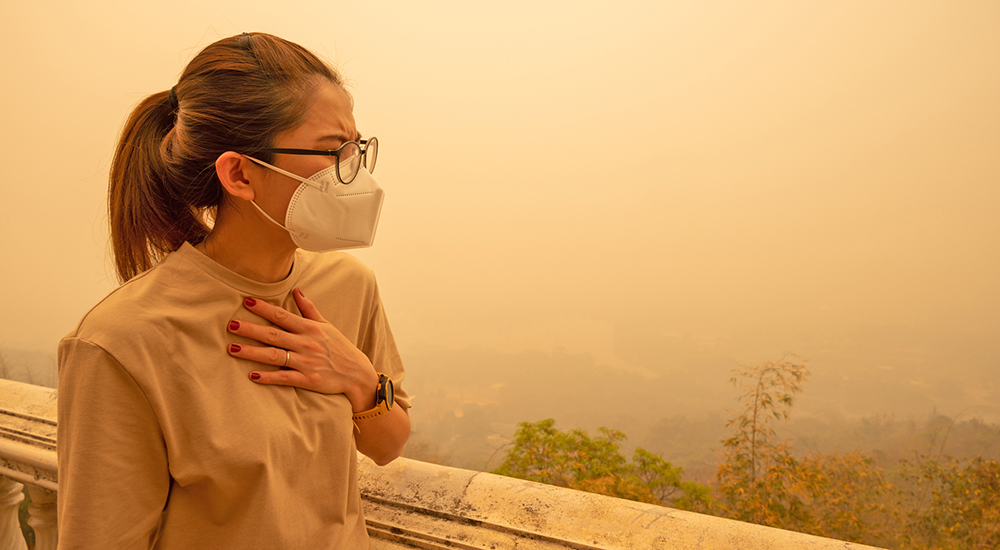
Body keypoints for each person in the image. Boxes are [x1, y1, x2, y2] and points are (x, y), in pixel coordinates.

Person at [56, 32, 410, 549]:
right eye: (332, 151)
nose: (353, 172)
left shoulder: (348, 286)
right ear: (240, 173)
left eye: (357, 148)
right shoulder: (122, 341)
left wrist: (358, 378)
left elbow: (389, 444)